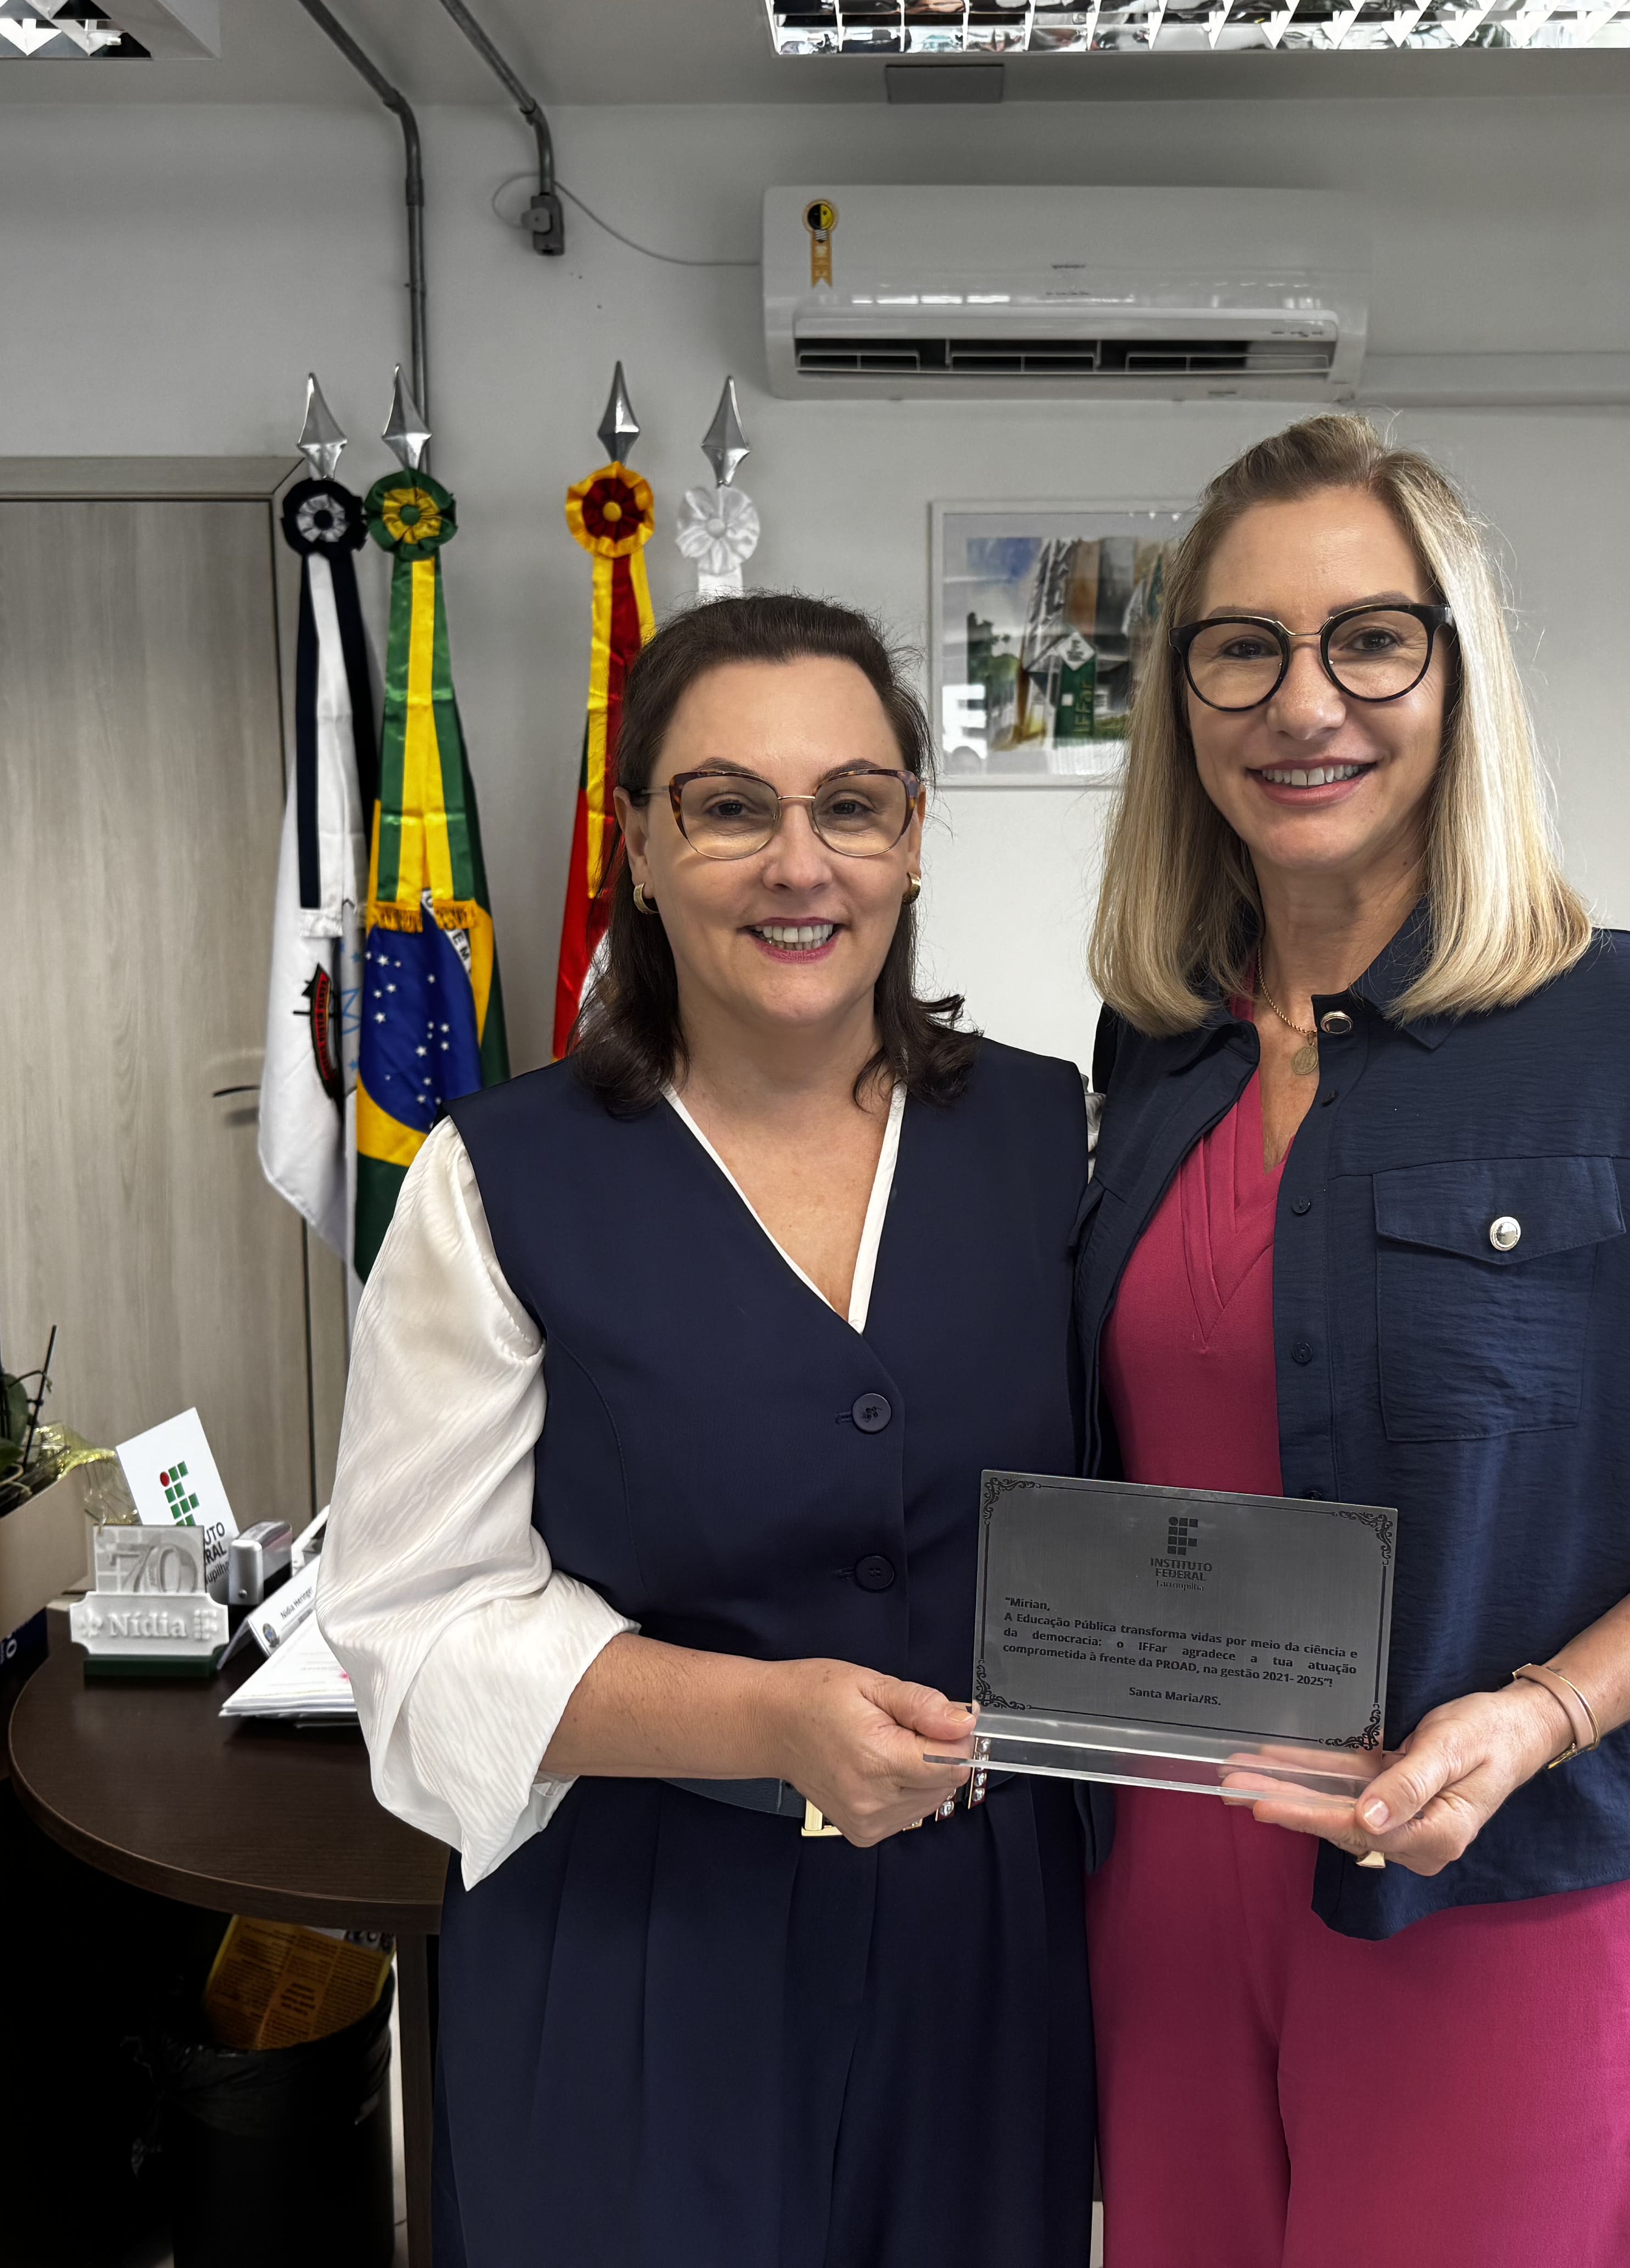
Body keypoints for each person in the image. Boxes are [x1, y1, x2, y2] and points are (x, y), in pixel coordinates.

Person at [1074, 413, 1630, 2268]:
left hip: (1490, 1888)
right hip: (1164, 1891)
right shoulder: (1156, 1044)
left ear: (1459, 674)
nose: (1306, 703)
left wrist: (1547, 1712)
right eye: (1242, 648)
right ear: (1183, 699)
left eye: (1372, 639)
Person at [320, 592, 1094, 2267]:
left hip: (980, 1951)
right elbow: (415, 1624)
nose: (798, 864)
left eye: (852, 805)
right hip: (633, 1946)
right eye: (730, 806)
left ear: (911, 840)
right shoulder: (497, 1177)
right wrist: (765, 1719)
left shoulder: (1061, 1138)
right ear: (642, 849)